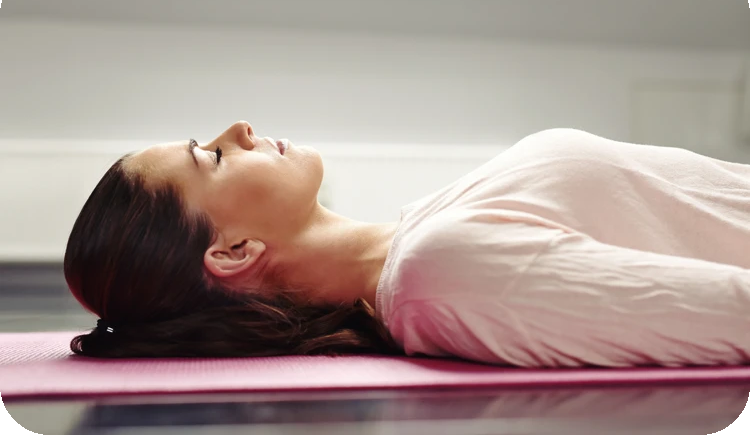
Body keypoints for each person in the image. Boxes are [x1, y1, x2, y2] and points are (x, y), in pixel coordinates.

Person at [64, 122, 750, 367]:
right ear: (235, 250)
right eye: (209, 157)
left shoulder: (421, 228)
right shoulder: (443, 274)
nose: (238, 128)